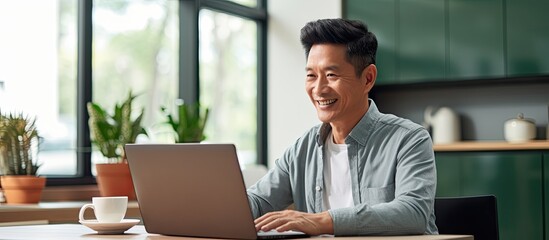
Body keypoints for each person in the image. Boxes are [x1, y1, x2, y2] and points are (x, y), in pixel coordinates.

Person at [247, 18, 438, 236]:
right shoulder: (303, 148)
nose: (318, 89)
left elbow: (412, 213)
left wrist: (323, 220)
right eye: (311, 75)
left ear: (368, 78)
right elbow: (257, 201)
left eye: (331, 75)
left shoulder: (409, 139)